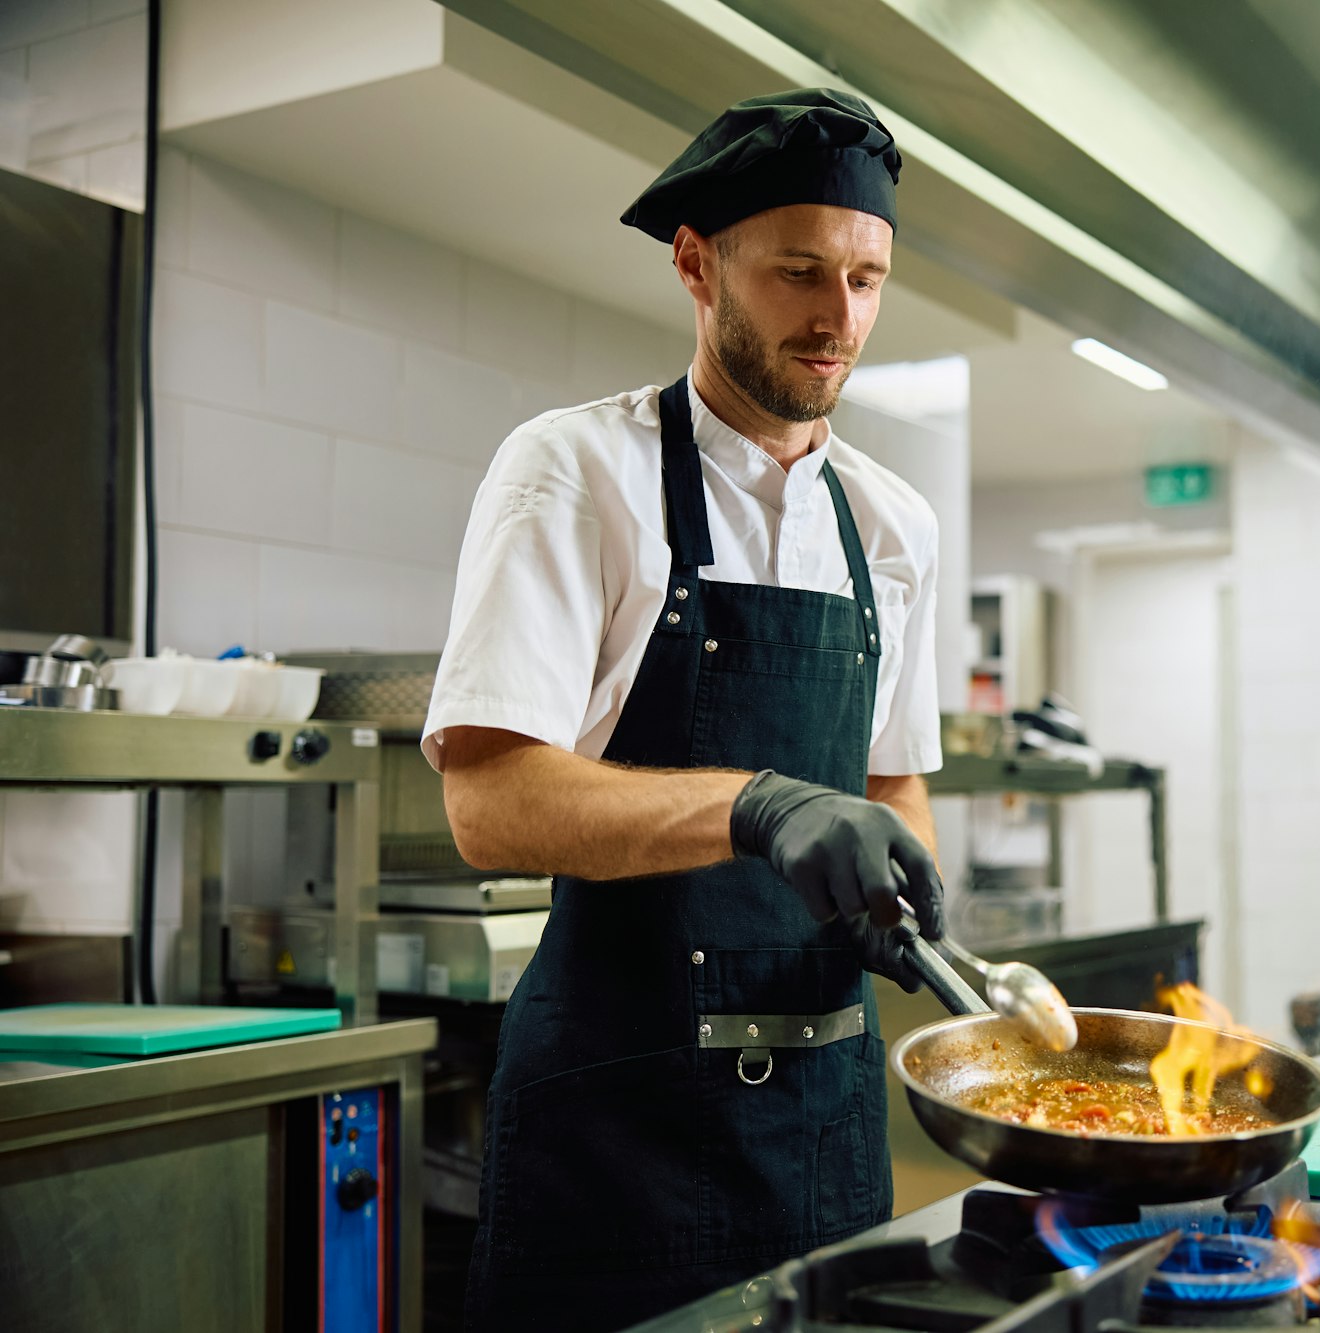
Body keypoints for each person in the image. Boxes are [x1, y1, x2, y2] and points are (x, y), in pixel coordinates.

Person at [422, 88, 947, 1331]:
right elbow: (489, 801)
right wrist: (757, 808)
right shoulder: (573, 469)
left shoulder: (893, 524)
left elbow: (891, 782)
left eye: (867, 280)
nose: (838, 321)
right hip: (620, 1118)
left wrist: (900, 882)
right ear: (697, 264)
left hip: (824, 1114)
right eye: (799, 273)